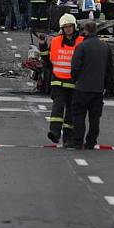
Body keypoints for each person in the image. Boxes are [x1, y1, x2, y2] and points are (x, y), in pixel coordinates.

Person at [39, 13, 84, 145]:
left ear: (74, 27)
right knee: (57, 108)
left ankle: (68, 137)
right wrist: (42, 45)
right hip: (58, 81)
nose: (68, 29)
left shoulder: (81, 41)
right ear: (62, 29)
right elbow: (47, 59)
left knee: (71, 110)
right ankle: (54, 132)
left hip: (74, 83)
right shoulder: (56, 41)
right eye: (65, 27)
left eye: (70, 26)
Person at [70, 21, 114, 149]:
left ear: (86, 31)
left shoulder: (82, 46)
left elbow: (75, 67)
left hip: (82, 87)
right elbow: (110, 68)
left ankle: (78, 141)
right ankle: (91, 141)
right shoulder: (105, 47)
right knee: (95, 118)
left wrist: (75, 80)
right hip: (98, 88)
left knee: (79, 116)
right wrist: (106, 85)